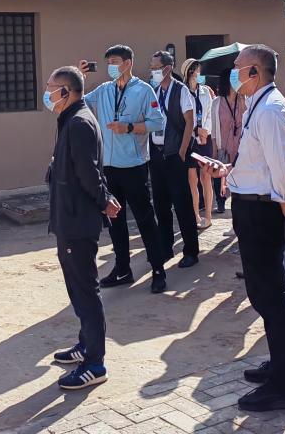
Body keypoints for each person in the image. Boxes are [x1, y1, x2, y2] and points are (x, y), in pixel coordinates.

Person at [199, 44, 285, 412]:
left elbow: (281, 170)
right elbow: (258, 163)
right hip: (251, 206)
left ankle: (283, 387)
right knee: (268, 295)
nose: (233, 73)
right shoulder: (258, 105)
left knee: (271, 297)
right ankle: (282, 365)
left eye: (238, 67)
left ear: (255, 73)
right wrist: (228, 171)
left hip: (264, 212)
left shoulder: (271, 110)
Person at [44, 67, 123, 389]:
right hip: (69, 217)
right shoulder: (71, 119)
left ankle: (95, 363)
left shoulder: (79, 122)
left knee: (86, 291)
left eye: (51, 88)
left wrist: (104, 200)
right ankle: (85, 345)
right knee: (77, 289)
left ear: (66, 91)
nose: (47, 93)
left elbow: (89, 172)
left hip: (78, 221)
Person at [79, 46, 168, 293]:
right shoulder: (104, 90)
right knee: (115, 221)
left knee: (145, 220)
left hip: (134, 167)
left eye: (115, 61)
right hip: (108, 168)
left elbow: (157, 122)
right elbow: (78, 102)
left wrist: (129, 127)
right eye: (108, 62)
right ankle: (122, 269)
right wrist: (80, 78)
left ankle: (158, 270)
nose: (111, 66)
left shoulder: (143, 90)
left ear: (128, 63)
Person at [148, 51, 200, 269]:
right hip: (157, 154)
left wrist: (182, 151)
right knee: (161, 204)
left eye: (155, 68)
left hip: (175, 155)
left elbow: (189, 122)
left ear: (167, 68)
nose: (152, 71)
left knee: (182, 204)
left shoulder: (180, 91)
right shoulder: (154, 91)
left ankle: (191, 251)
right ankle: (166, 246)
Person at [181, 58, 216, 229]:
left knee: (206, 176)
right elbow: (183, 116)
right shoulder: (182, 91)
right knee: (192, 179)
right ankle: (195, 214)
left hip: (205, 138)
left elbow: (209, 113)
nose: (198, 73)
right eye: (194, 70)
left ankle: (208, 215)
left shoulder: (206, 91)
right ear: (188, 72)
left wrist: (205, 131)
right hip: (190, 139)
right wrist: (196, 130)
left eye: (199, 70)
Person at [211, 67, 244, 217]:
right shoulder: (217, 102)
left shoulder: (243, 99)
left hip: (241, 146)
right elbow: (214, 128)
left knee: (240, 179)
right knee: (221, 176)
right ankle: (220, 202)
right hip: (223, 146)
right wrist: (214, 150)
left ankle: (238, 204)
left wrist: (242, 100)